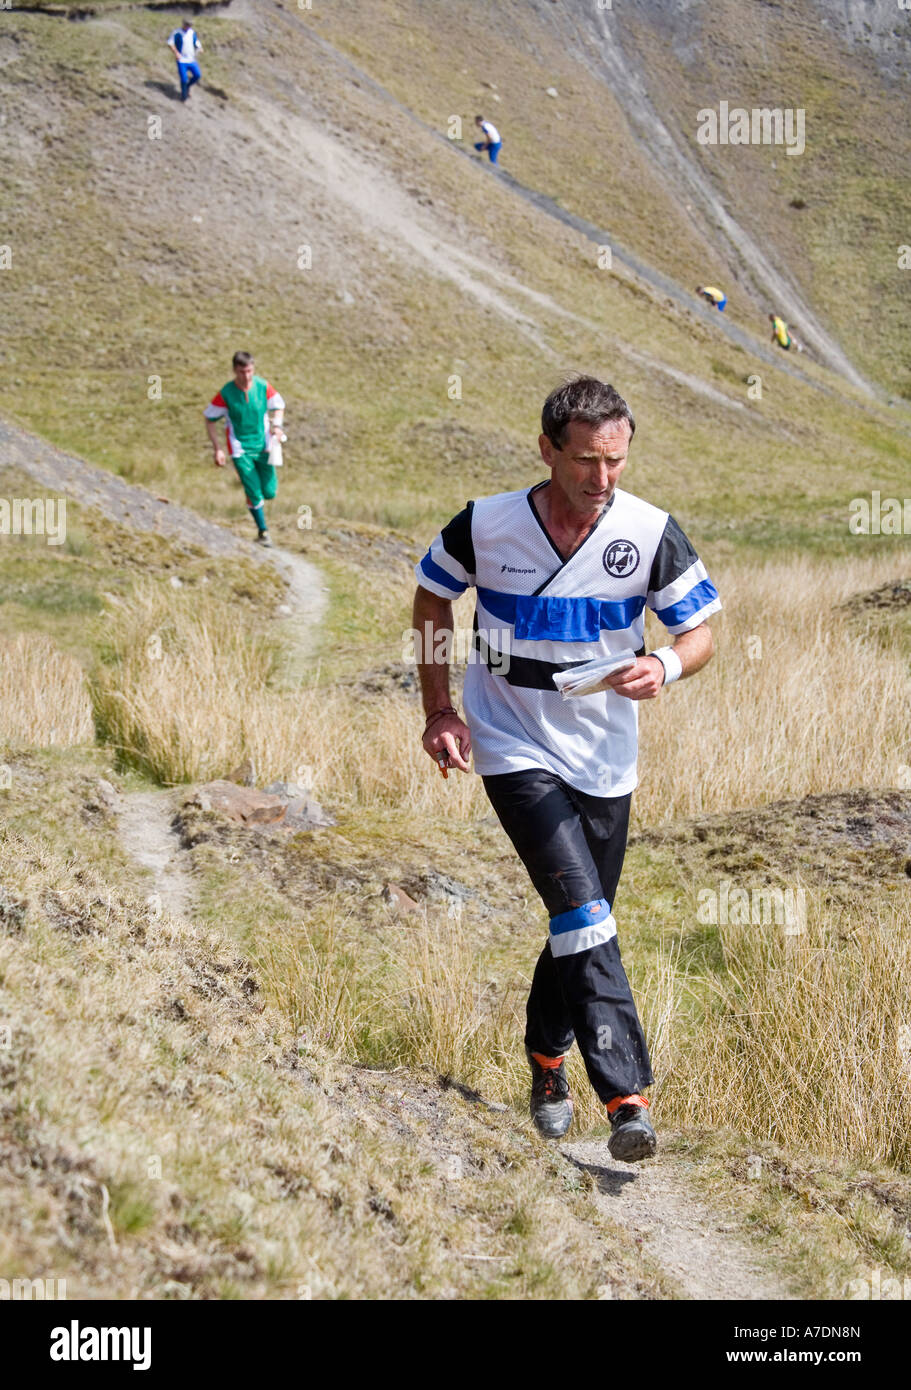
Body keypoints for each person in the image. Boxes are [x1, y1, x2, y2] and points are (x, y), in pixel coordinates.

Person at [412, 377, 720, 1162]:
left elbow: (701, 632)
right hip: (510, 740)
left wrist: (666, 664)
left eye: (615, 461)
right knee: (583, 913)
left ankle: (545, 1058)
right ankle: (626, 1097)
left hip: (605, 757)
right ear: (546, 449)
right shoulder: (485, 524)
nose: (601, 479)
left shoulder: (649, 531)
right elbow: (430, 599)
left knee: (584, 920)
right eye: (584, 461)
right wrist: (441, 709)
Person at [204, 351, 286, 546]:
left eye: (249, 371)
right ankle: (263, 532)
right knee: (254, 490)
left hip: (264, 446)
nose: (246, 376)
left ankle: (255, 507)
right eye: (242, 372)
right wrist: (218, 449)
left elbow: (279, 405)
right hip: (240, 448)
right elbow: (209, 418)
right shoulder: (226, 394)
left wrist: (277, 426)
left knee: (269, 492)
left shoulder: (263, 386)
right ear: (235, 371)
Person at [167, 20, 203, 102]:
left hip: (191, 59)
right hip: (182, 60)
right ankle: (184, 96)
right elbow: (170, 43)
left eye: (190, 25)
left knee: (197, 75)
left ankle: (188, 86)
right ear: (183, 24)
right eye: (187, 25)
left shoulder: (192, 32)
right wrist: (176, 53)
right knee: (184, 79)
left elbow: (196, 42)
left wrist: (200, 48)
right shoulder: (177, 32)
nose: (188, 27)